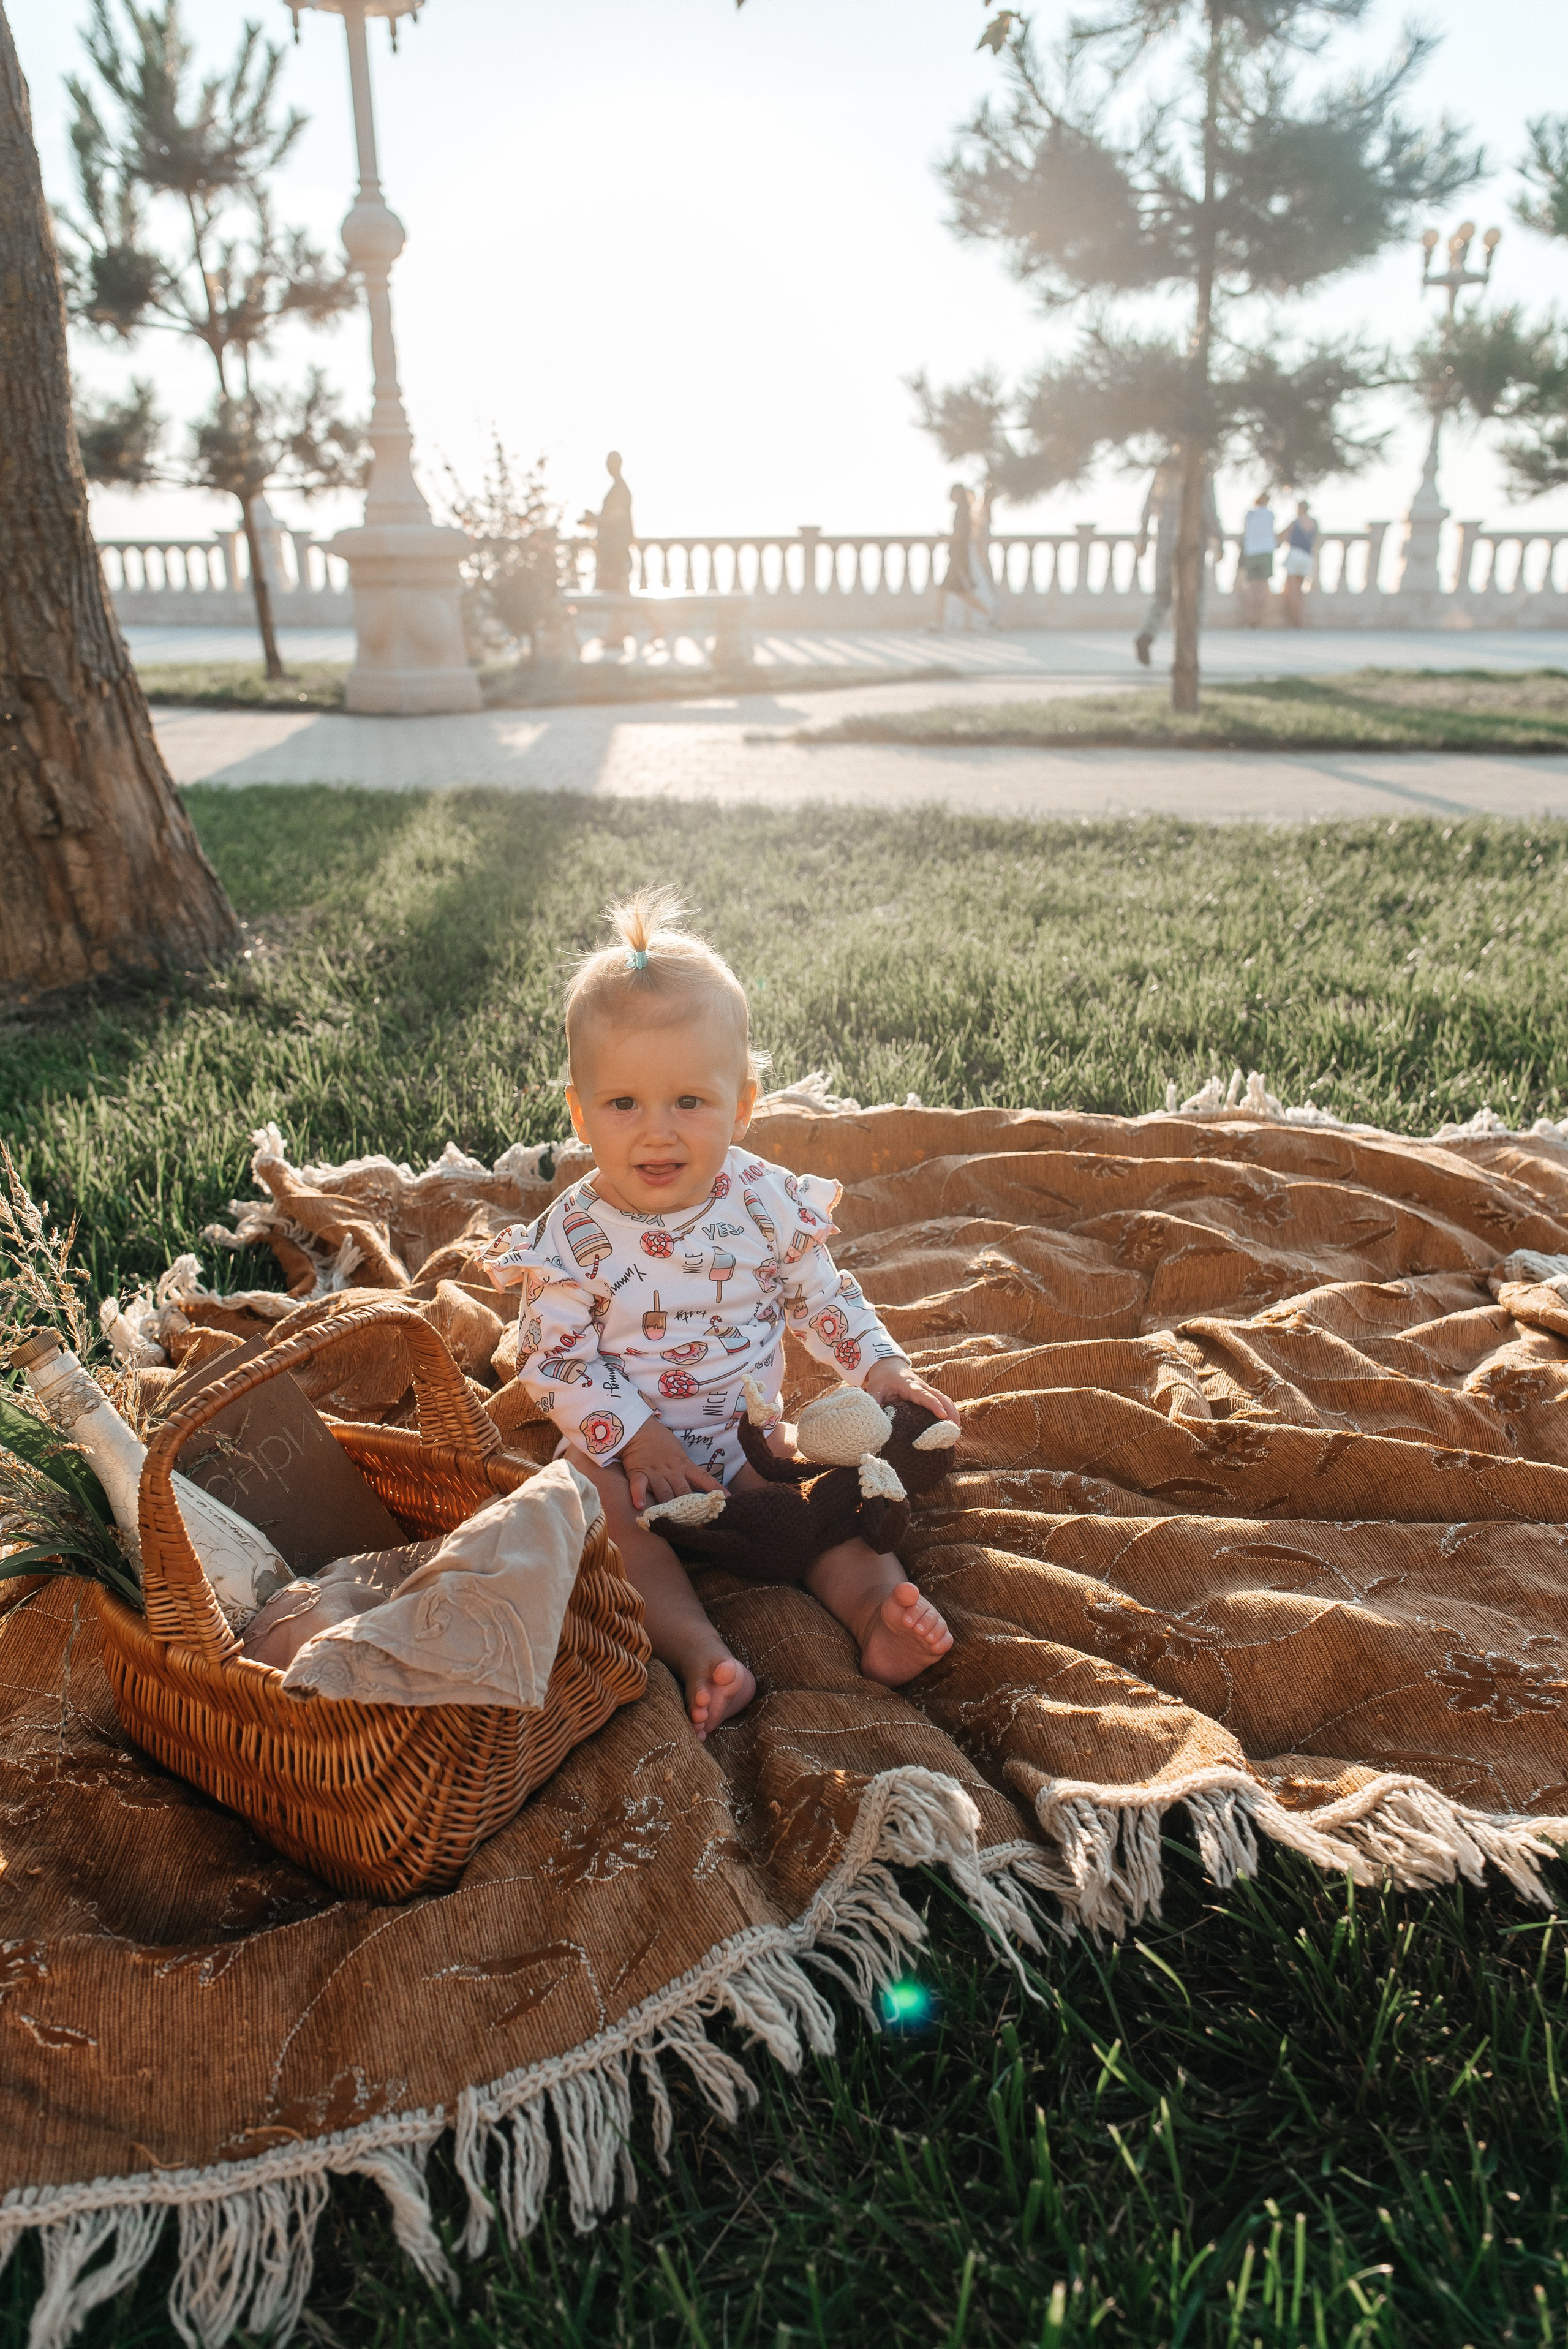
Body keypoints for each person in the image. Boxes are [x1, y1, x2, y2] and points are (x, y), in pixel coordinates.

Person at [480, 888, 957, 1740]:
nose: (656, 1132)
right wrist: (632, 1436)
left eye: (689, 1103)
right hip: (629, 1458)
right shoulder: (575, 1234)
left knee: (829, 1515)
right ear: (582, 1113)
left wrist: (882, 1368)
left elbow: (823, 1295)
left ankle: (882, 1616)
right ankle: (705, 1654)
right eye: (623, 1104)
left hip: (749, 1443)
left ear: (741, 1103)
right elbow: (550, 1359)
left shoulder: (767, 1200)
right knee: (602, 1522)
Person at [1133, 456, 1222, 666]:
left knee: (1162, 595)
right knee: (1193, 597)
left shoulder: (1164, 471)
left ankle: (1146, 634)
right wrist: (1219, 539)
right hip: (1192, 545)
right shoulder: (1199, 469)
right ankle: (1187, 650)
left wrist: (1143, 537)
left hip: (1164, 543)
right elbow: (1208, 511)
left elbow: (1147, 507)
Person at [929, 481, 991, 632]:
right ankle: (939, 623)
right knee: (952, 590)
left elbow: (959, 536)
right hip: (959, 556)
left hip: (959, 558)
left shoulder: (961, 511)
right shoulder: (964, 510)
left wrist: (946, 536)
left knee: (962, 592)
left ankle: (989, 616)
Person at [580, 451, 635, 595]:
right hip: (613, 549)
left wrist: (595, 520)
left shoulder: (620, 490)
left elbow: (616, 520)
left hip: (615, 550)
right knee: (613, 593)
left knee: (615, 593)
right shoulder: (618, 489)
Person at [1240, 490, 1276, 626]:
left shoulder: (1250, 514)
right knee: (1263, 586)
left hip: (1252, 552)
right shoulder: (1270, 515)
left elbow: (1244, 533)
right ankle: (1260, 619)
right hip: (1266, 552)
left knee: (1252, 587)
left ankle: (1251, 619)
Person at [1280, 497, 1317, 627]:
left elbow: (1284, 536)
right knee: (1300, 590)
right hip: (1307, 557)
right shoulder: (1314, 523)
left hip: (1295, 555)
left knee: (1292, 590)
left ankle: (1293, 620)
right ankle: (1300, 620)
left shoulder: (1296, 522)